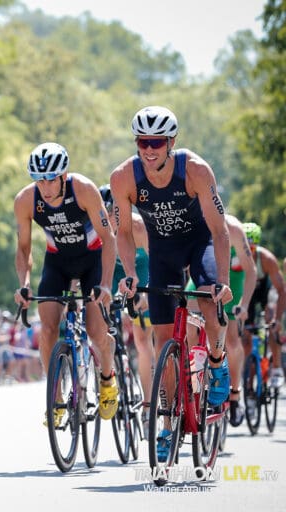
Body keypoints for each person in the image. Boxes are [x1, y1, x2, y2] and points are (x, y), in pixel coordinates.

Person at [110, 106, 233, 461]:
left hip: (201, 243)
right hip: (162, 251)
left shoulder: (194, 170)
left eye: (157, 142)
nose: (149, 150)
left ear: (171, 142)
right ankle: (168, 424)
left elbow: (221, 230)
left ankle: (216, 358)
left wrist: (222, 281)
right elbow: (122, 233)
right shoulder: (124, 178)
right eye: (143, 142)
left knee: (209, 300)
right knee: (163, 343)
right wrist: (132, 275)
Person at [13, 142, 117, 425]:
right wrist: (24, 284)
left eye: (50, 179)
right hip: (57, 262)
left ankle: (107, 378)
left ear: (63, 175)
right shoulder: (26, 200)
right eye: (39, 179)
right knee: (46, 330)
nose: (45, 187)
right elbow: (23, 249)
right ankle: (55, 397)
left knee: (97, 333)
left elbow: (109, 240)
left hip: (91, 260)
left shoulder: (83, 189)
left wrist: (106, 284)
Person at [186, 215, 256, 426]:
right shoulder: (196, 221)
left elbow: (251, 271)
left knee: (232, 340)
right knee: (187, 321)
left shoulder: (234, 229)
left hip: (230, 285)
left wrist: (244, 305)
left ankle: (234, 394)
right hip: (202, 281)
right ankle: (192, 378)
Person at [99, 184, 155, 429]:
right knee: (98, 323)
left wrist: (147, 294)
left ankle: (148, 404)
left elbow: (158, 263)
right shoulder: (98, 229)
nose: (107, 219)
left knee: (143, 339)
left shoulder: (138, 227)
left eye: (110, 213)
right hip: (113, 273)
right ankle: (109, 372)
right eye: (102, 215)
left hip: (142, 273)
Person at [241, 222, 285, 389]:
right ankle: (248, 385)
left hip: (266, 291)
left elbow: (281, 290)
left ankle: (276, 368)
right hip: (248, 293)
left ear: (257, 246)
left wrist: (277, 318)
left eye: (251, 248)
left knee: (272, 324)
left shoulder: (267, 259)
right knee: (245, 336)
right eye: (245, 247)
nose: (248, 252)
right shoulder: (235, 258)